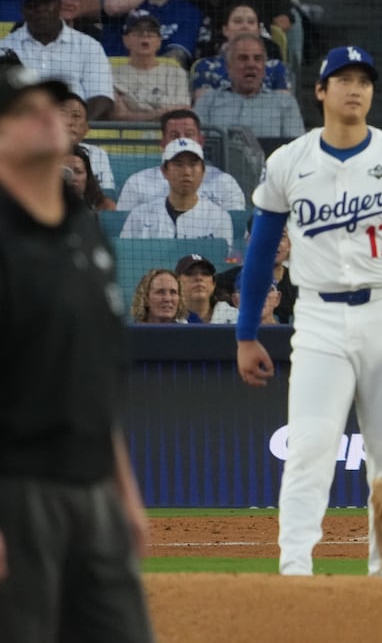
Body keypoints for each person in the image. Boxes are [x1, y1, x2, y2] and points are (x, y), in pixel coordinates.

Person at [235, 45, 382, 578]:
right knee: (310, 447)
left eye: (363, 81)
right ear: (320, 91)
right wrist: (246, 333)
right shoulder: (288, 161)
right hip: (318, 318)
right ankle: (294, 573)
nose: (355, 89)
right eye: (343, 79)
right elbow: (260, 253)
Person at [0, 53, 154, 639]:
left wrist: (125, 492)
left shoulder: (84, 226)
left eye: (50, 103)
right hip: (18, 492)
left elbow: (95, 377)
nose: (47, 115)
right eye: (23, 110)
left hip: (94, 491)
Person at [116, 108, 245, 211]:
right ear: (163, 143)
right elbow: (123, 228)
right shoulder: (137, 183)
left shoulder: (225, 183)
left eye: (189, 134)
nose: (182, 140)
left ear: (201, 141)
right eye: (174, 135)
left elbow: (236, 228)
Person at [120, 137, 234, 244]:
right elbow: (124, 255)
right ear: (164, 171)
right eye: (178, 164)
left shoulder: (219, 218)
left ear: (203, 171)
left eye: (193, 164)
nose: (186, 172)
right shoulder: (139, 215)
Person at [190, 33, 305, 140]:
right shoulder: (207, 101)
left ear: (264, 67)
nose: (251, 64)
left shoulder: (285, 102)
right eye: (243, 58)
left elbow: (296, 148)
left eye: (257, 58)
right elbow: (195, 145)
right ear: (229, 67)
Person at [110, 9, 191, 121]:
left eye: (151, 33)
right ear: (125, 40)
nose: (145, 36)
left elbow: (182, 111)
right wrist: (162, 111)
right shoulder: (111, 75)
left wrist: (138, 109)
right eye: (137, 32)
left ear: (159, 41)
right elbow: (120, 116)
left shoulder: (176, 73)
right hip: (130, 131)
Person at [175, 251, 218, 323]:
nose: (199, 278)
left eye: (205, 273)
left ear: (213, 284)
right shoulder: (168, 320)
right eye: (190, 273)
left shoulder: (234, 316)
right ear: (177, 283)